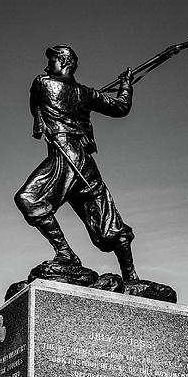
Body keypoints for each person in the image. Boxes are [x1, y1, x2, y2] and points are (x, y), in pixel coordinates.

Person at [14, 45, 139, 281]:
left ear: (65, 62)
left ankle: (65, 253)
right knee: (104, 215)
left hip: (65, 154)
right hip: (84, 160)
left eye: (52, 61)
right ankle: (131, 275)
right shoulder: (86, 93)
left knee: (28, 198)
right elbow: (121, 107)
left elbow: (35, 106)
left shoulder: (42, 82)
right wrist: (126, 85)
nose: (46, 66)